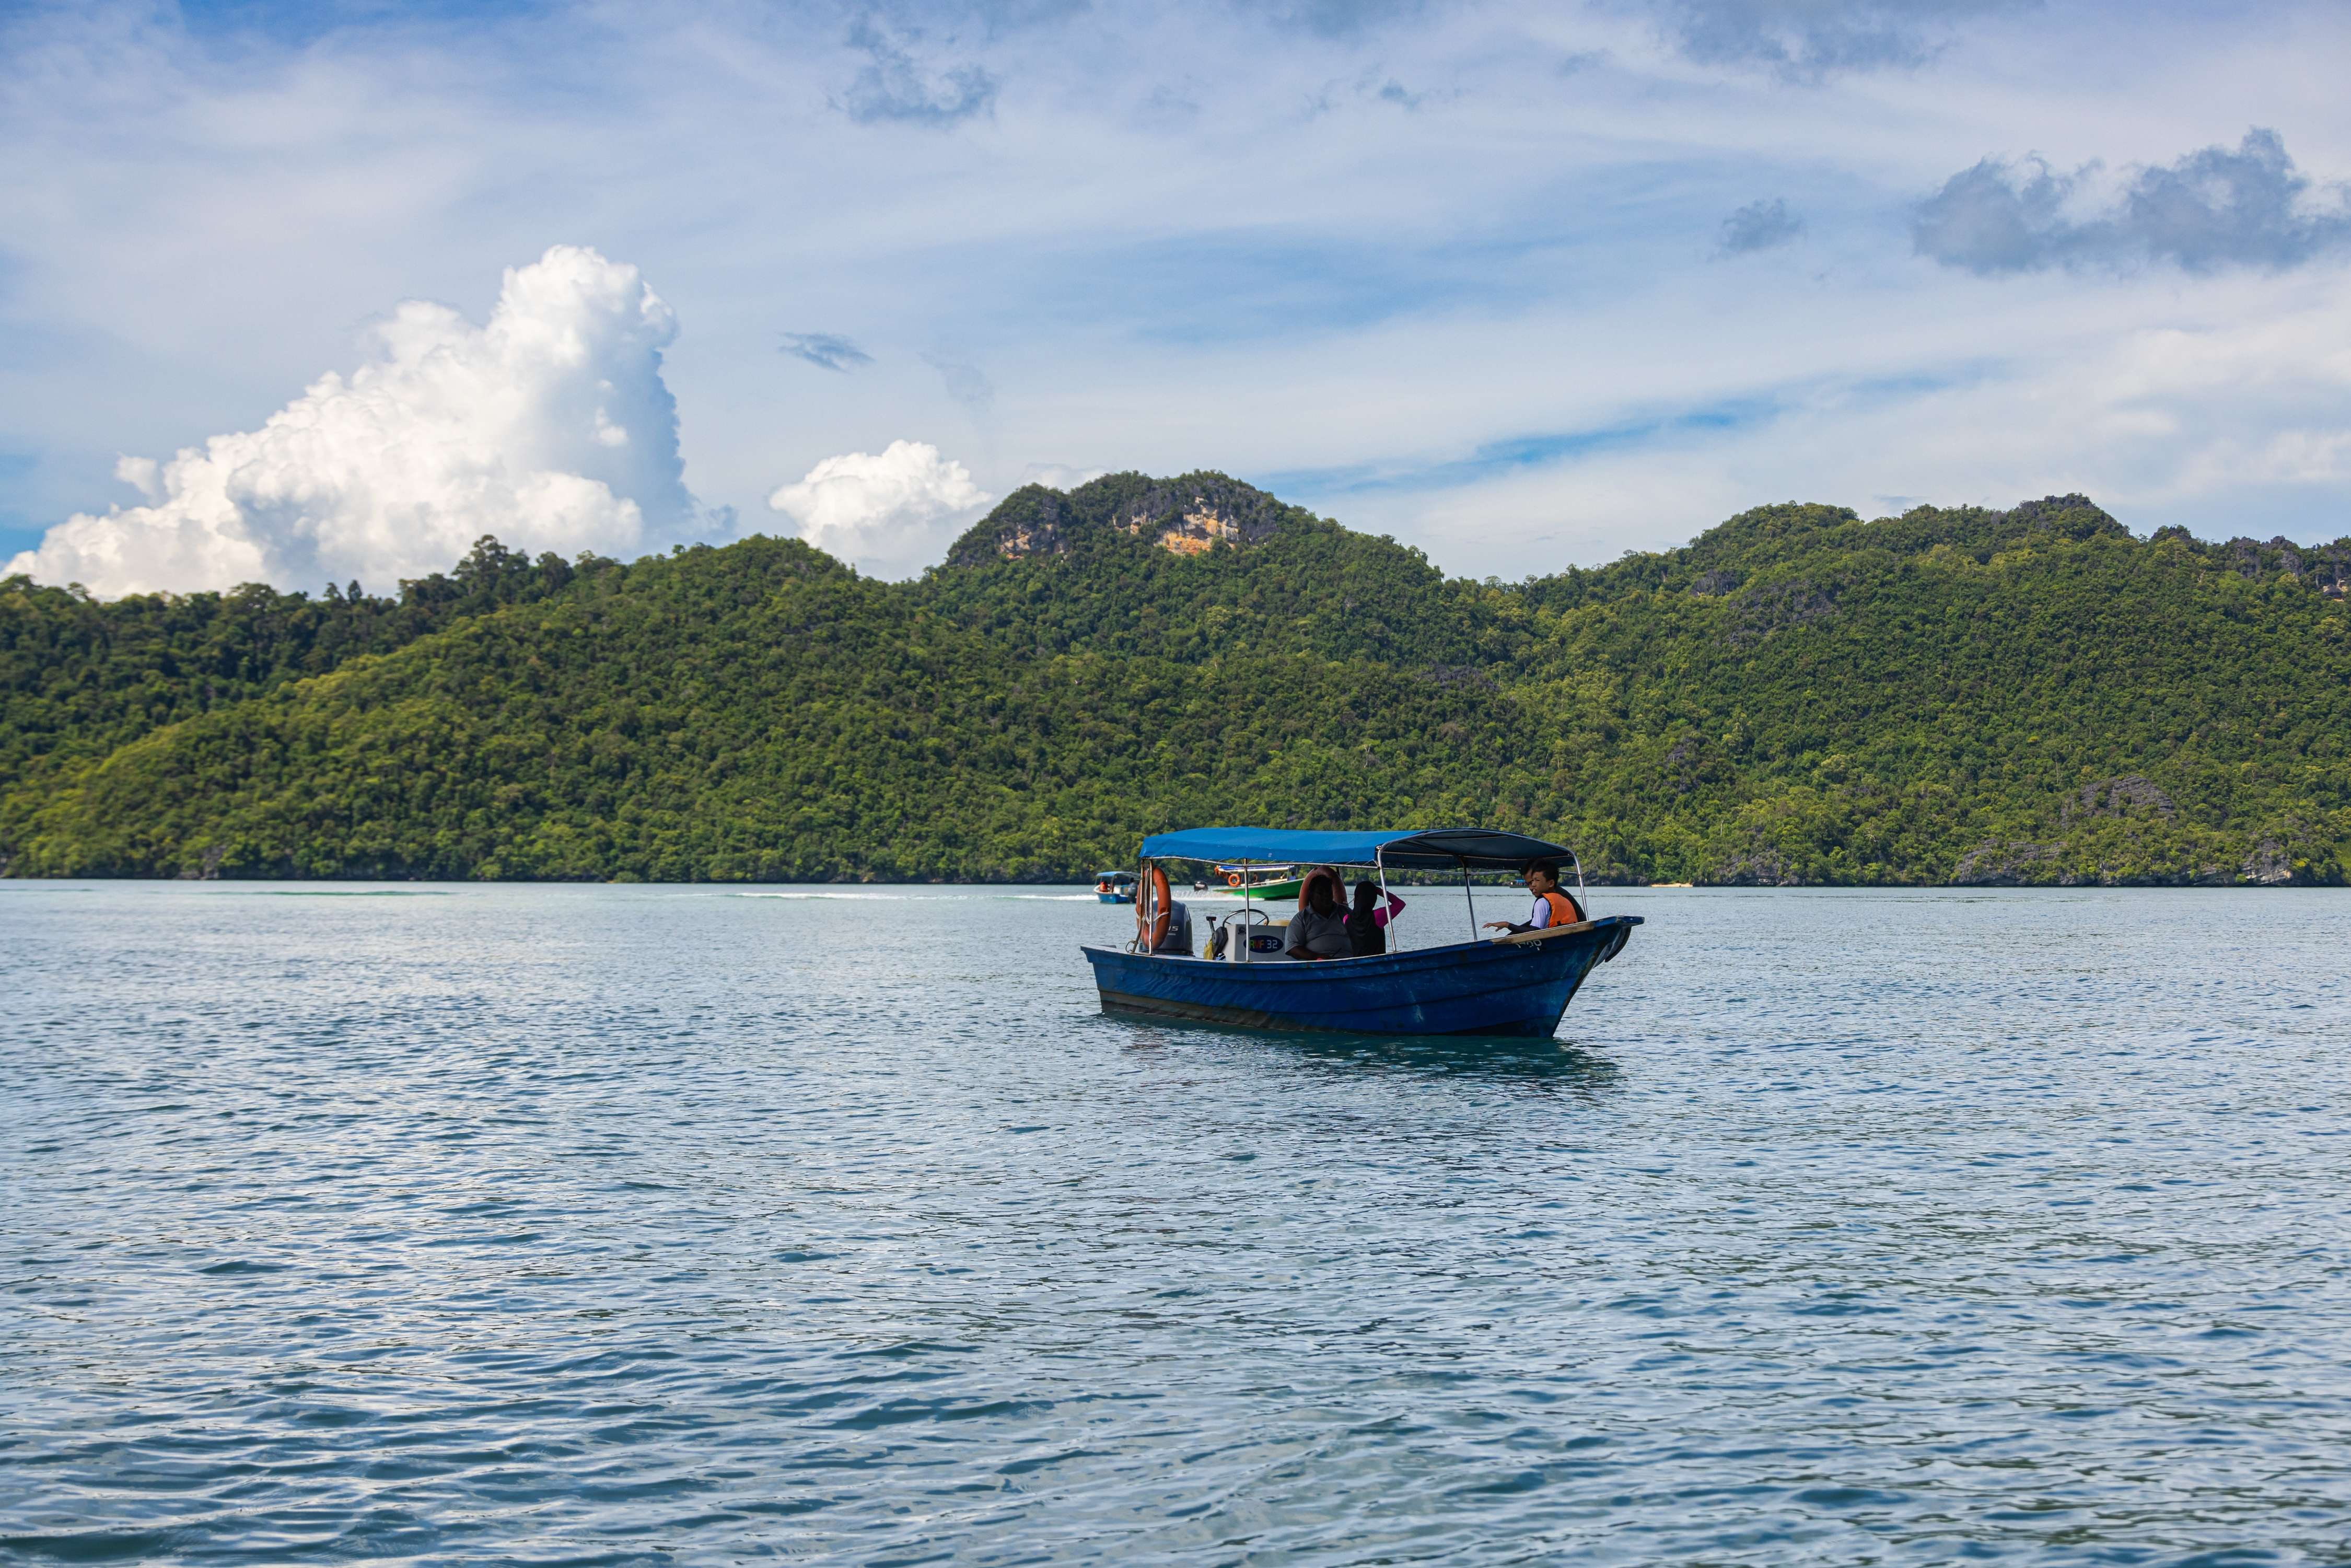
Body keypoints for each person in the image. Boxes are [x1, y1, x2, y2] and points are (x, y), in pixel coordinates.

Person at [1483, 859, 1582, 936]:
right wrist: (1512, 932)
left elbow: (1535, 931)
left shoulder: (1545, 900)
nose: (1531, 887)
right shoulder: (1558, 897)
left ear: (1550, 883)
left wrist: (1507, 925)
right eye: (1529, 883)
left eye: (1535, 881)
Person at [1286, 874, 1354, 959]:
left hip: (1350, 964)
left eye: (1328, 891)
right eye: (1321, 893)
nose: (1326, 895)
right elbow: (1293, 948)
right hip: (1317, 967)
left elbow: (1360, 937)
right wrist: (1317, 957)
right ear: (1312, 895)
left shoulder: (1346, 912)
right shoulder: (1301, 919)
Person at [1345, 879, 1406, 956]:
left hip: (1357, 964)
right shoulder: (1377, 917)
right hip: (1378, 963)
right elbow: (1400, 904)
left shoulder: (1346, 919)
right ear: (1373, 899)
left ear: (1356, 898)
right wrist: (1380, 891)